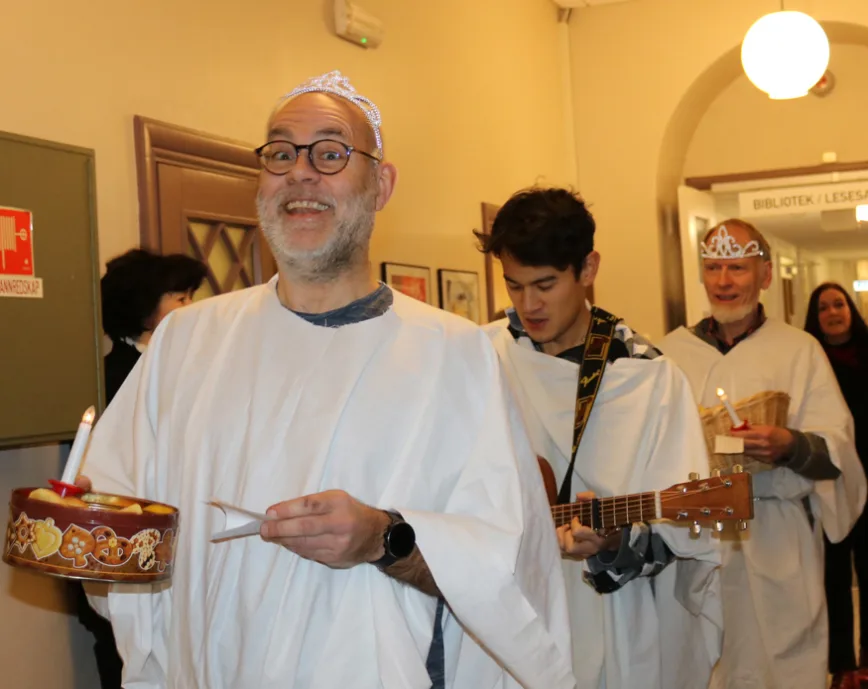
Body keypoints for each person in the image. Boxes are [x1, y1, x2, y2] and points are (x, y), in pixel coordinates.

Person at [79, 71, 575, 689]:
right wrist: (83, 533)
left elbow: (507, 569)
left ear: (381, 184)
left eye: (331, 152)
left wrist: (383, 538)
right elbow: (114, 528)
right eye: (280, 152)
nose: (300, 173)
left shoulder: (458, 356)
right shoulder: (187, 343)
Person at [478, 187, 722, 689]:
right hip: (504, 620)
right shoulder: (478, 358)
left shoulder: (647, 377)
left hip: (615, 624)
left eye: (545, 284)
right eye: (514, 285)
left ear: (587, 268)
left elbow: (683, 540)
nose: (528, 304)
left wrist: (612, 544)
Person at [660, 220, 867, 689]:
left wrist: (792, 445)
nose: (724, 281)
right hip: (699, 541)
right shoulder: (671, 354)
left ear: (766, 275)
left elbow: (838, 447)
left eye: (737, 267)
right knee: (706, 665)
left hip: (776, 540)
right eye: (713, 267)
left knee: (784, 667)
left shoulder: (800, 350)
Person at [73, 248, 206, 689]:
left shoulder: (186, 368)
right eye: (180, 298)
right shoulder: (116, 376)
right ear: (144, 306)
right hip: (123, 550)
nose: (192, 309)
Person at [805, 282, 868, 688]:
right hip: (827, 479)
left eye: (839, 304)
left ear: (851, 308)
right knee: (832, 574)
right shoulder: (810, 362)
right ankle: (842, 664)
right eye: (824, 307)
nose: (832, 312)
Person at [101, 248, 206, 403]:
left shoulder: (184, 357)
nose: (191, 306)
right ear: (145, 306)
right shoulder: (115, 373)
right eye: (182, 299)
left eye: (191, 297)